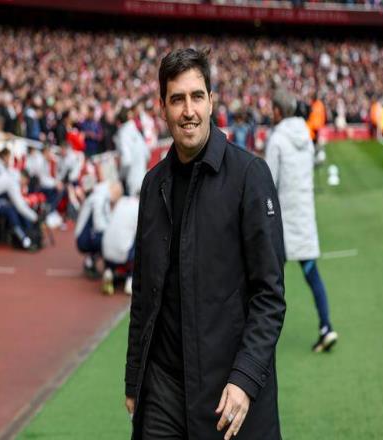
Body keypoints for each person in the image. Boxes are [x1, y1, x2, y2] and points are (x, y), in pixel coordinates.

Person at [125, 48, 286, 440]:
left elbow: (269, 295)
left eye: (197, 97)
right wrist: (134, 377)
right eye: (177, 99)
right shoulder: (153, 185)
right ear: (162, 107)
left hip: (225, 388)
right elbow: (144, 293)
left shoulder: (250, 176)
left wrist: (245, 377)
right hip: (162, 389)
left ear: (212, 101)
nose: (188, 111)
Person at [265, 87, 338, 353]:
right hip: (304, 214)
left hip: (282, 219)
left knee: (268, 279)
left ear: (278, 111)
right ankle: (326, 326)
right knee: (311, 273)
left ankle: (260, 337)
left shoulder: (276, 139)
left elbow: (268, 182)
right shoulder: (305, 136)